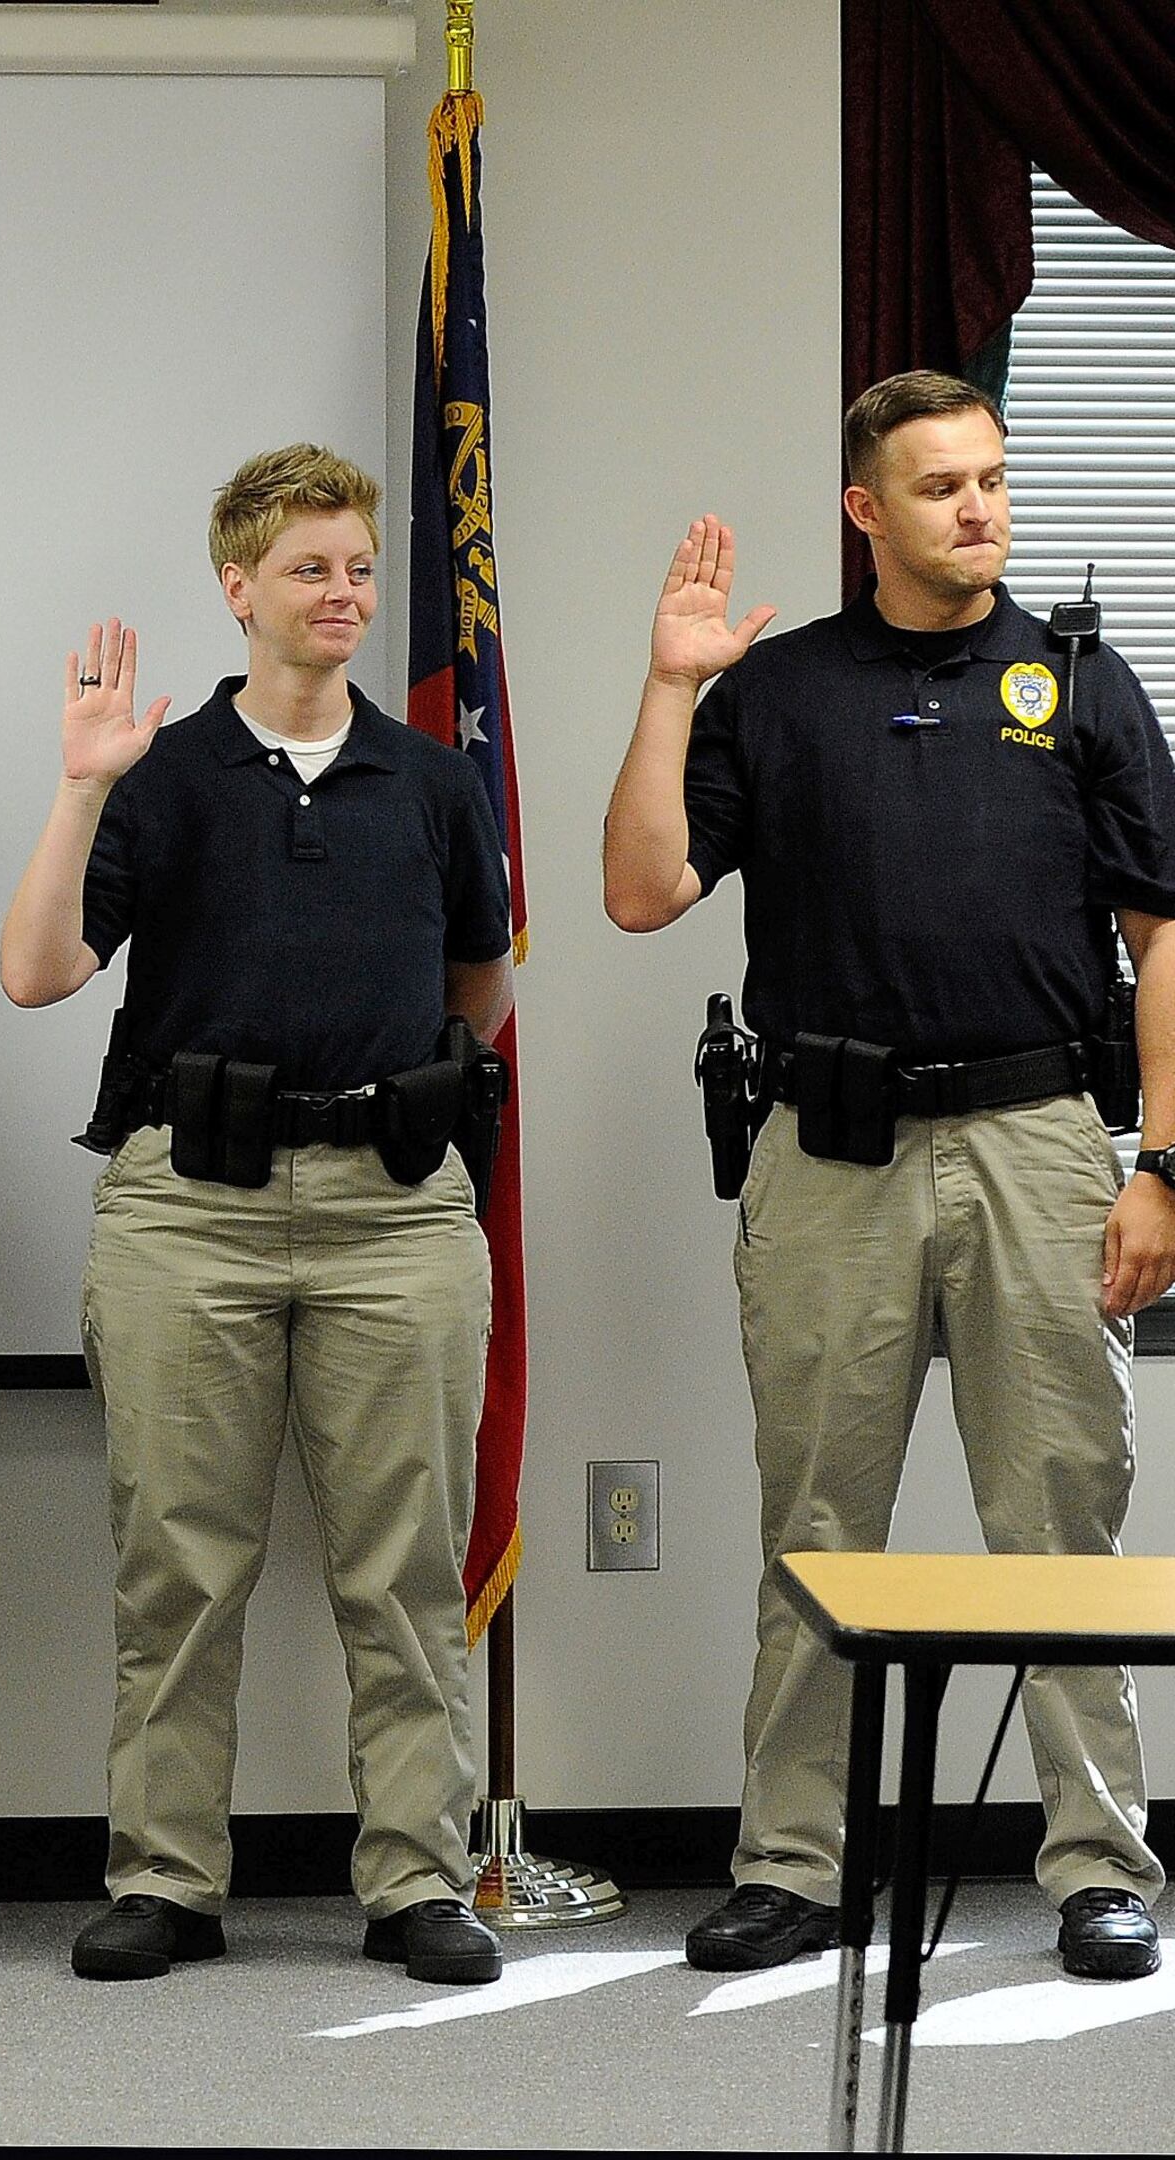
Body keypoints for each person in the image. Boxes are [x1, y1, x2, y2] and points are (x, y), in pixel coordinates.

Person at [603, 369, 1172, 1982]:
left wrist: (1165, 1167)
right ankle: (793, 1863)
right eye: (938, 486)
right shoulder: (776, 694)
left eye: (990, 478)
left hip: (1040, 1142)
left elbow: (1165, 930)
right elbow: (641, 893)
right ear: (865, 510)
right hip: (831, 1151)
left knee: (1059, 1521)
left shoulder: (1083, 682)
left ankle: (1095, 1868)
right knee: (820, 1522)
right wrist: (668, 690)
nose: (977, 507)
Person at [0, 446, 512, 1986]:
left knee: (406, 1571)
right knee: (182, 1566)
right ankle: (167, 1879)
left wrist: (380, 1097)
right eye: (311, 570)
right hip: (188, 1214)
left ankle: (418, 1879)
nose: (345, 593)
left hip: (396, 1214)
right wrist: (84, 783)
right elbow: (36, 972)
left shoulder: (429, 778)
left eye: (360, 568)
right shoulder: (160, 775)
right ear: (239, 589)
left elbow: (481, 988)